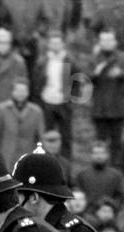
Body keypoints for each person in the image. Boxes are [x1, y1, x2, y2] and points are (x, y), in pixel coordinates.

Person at [89, 28, 124, 159]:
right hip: (100, 108)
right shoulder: (94, 58)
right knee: (100, 141)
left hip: (118, 106)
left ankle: (116, 167)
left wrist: (121, 74)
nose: (107, 43)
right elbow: (85, 79)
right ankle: (100, 165)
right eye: (103, 40)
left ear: (115, 42)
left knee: (117, 142)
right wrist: (96, 73)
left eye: (109, 40)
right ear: (99, 42)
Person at [32, 30, 78, 159]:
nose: (55, 46)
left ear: (63, 44)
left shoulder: (69, 60)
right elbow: (36, 81)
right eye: (53, 43)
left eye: (58, 43)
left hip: (64, 102)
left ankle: (65, 163)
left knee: (66, 136)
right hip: (46, 101)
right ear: (49, 45)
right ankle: (45, 160)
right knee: (45, 134)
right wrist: (38, 99)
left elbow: (77, 80)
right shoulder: (42, 62)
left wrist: (72, 99)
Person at [0, 79, 44, 169]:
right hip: (6, 154)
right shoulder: (1, 109)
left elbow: (40, 136)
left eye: (23, 91)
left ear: (28, 92)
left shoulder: (36, 111)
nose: (20, 93)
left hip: (28, 153)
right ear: (12, 92)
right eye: (18, 90)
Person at [74, 141, 124, 221]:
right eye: (96, 153)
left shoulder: (115, 175)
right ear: (91, 155)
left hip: (109, 216)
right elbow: (77, 196)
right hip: (87, 216)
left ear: (107, 155)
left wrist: (110, 209)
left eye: (102, 153)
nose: (99, 156)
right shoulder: (82, 175)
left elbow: (121, 197)